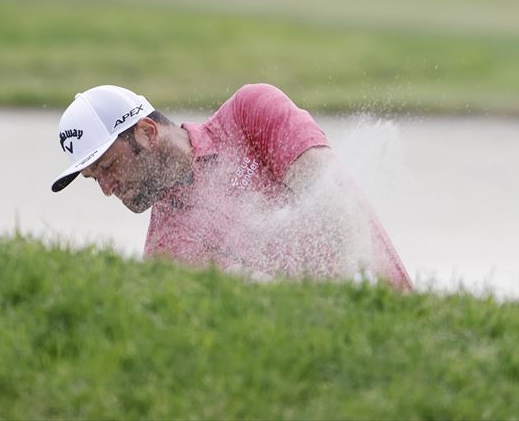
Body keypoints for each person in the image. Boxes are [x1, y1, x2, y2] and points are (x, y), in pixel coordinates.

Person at [51, 83, 412, 289]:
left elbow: (335, 201)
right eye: (94, 178)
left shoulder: (249, 113)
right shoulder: (164, 254)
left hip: (393, 319)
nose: (107, 189)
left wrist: (359, 299)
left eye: (109, 166)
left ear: (146, 133)